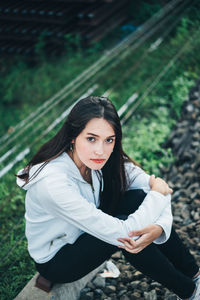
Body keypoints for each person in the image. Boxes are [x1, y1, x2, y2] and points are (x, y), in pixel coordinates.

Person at [16, 96, 200, 300]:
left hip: (86, 228)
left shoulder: (103, 157)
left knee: (138, 197)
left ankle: (195, 274)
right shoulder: (53, 183)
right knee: (128, 231)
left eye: (109, 140)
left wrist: (159, 227)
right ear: (73, 136)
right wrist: (156, 203)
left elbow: (157, 188)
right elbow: (126, 230)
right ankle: (190, 292)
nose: (100, 151)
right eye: (91, 138)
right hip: (59, 259)